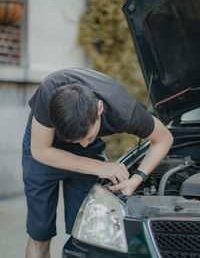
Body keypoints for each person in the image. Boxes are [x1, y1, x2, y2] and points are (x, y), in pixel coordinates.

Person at [22, 67, 173, 258]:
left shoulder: (124, 109)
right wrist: (101, 167)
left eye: (89, 136)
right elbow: (40, 150)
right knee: (39, 234)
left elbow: (164, 138)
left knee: (88, 234)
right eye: (77, 142)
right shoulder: (48, 92)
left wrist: (137, 178)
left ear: (100, 109)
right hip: (45, 148)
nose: (84, 145)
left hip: (92, 155)